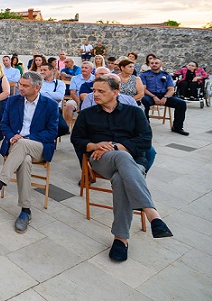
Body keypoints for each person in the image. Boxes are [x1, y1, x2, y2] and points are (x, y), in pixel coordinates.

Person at [71, 76, 173, 262]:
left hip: (134, 161)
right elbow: (76, 140)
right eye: (94, 90)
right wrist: (95, 145)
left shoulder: (134, 113)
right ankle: (152, 214)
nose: (95, 94)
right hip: (102, 161)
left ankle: (121, 238)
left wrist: (116, 146)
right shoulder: (87, 114)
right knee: (122, 158)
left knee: (120, 179)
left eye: (101, 91)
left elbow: (145, 141)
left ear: (116, 92)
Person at [0, 72, 59, 233]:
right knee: (24, 161)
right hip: (15, 144)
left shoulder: (50, 105)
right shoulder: (13, 101)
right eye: (19, 84)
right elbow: (4, 125)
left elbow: (52, 132)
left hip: (39, 146)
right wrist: (11, 137)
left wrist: (26, 137)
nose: (20, 87)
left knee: (23, 144)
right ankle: (25, 211)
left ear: (37, 87)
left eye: (25, 85)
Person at [139, 58, 189, 135]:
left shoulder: (166, 75)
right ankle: (145, 126)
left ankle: (177, 127)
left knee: (181, 103)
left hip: (164, 95)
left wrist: (165, 97)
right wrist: (154, 96)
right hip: (150, 95)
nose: (154, 65)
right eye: (152, 63)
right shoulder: (144, 75)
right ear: (149, 64)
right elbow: (143, 89)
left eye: (156, 63)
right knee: (143, 101)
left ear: (161, 64)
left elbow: (171, 89)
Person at [39, 63, 70, 136]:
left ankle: (47, 138)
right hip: (39, 108)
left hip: (54, 109)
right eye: (41, 70)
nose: (42, 72)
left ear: (52, 71)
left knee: (63, 128)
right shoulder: (38, 82)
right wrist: (52, 95)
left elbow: (59, 96)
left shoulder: (60, 83)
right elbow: (35, 94)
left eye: (44, 70)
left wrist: (42, 93)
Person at [63, 61, 94, 128]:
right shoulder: (75, 78)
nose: (83, 69)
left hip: (92, 100)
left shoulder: (94, 79)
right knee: (69, 105)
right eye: (82, 67)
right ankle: (66, 127)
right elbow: (72, 93)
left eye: (86, 68)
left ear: (91, 70)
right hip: (77, 99)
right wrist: (79, 103)